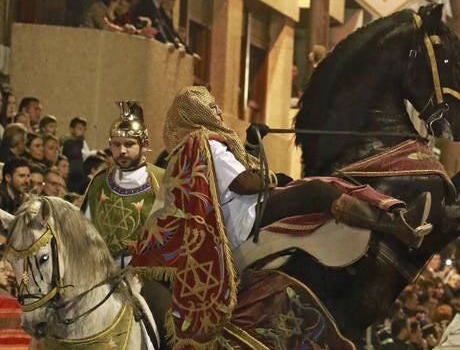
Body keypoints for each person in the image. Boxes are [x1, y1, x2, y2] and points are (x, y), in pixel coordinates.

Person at [161, 86, 433, 251]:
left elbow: (224, 179)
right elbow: (243, 182)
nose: (218, 112)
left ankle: (393, 218)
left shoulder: (187, 152)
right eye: (212, 108)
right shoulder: (207, 145)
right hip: (246, 218)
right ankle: (395, 227)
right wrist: (270, 178)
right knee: (316, 189)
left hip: (237, 217)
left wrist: (251, 147)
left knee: (315, 184)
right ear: (197, 114)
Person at [83, 101, 163, 266]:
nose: (122, 151)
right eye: (116, 144)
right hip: (100, 270)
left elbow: (171, 234)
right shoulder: (100, 182)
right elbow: (85, 229)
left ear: (145, 145)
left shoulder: (162, 181)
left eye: (129, 144)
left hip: (147, 272)